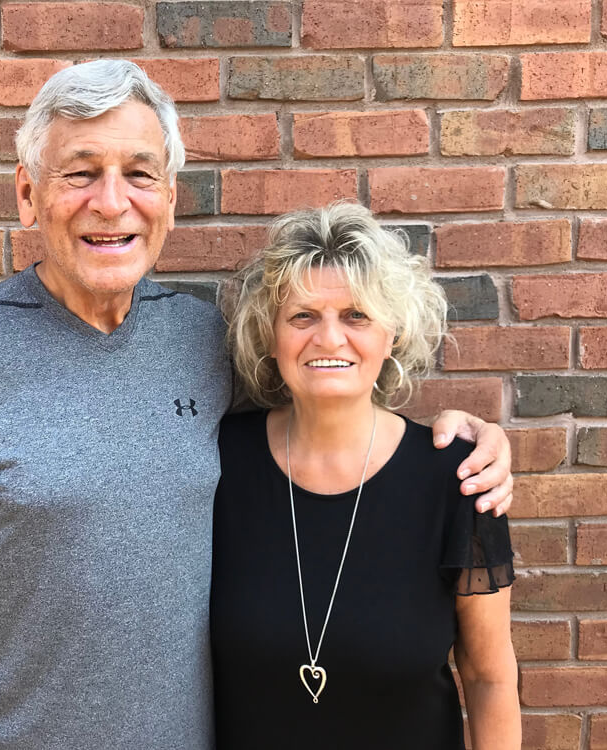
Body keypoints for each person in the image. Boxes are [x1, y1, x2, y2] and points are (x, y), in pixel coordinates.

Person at [0, 60, 514, 749]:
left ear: (169, 197)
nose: (112, 202)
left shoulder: (203, 342)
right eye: (81, 173)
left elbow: (327, 392)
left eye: (139, 174)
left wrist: (460, 439)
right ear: (27, 194)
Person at [211, 202, 520, 749]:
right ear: (271, 335)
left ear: (391, 333)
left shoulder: (459, 480)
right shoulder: (216, 463)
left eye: (356, 315)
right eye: (303, 316)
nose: (329, 338)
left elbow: (488, 677)